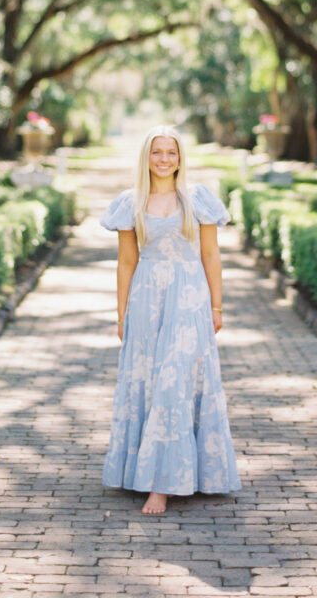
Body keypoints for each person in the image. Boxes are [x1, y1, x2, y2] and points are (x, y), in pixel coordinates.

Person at [100, 124, 241, 515]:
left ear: (181, 159)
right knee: (149, 379)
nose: (164, 159)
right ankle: (150, 474)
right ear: (146, 157)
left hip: (189, 297)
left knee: (176, 379)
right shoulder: (131, 202)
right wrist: (121, 313)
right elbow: (127, 261)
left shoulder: (198, 200)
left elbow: (211, 256)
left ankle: (166, 484)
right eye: (157, 152)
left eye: (171, 152)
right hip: (147, 298)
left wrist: (216, 307)